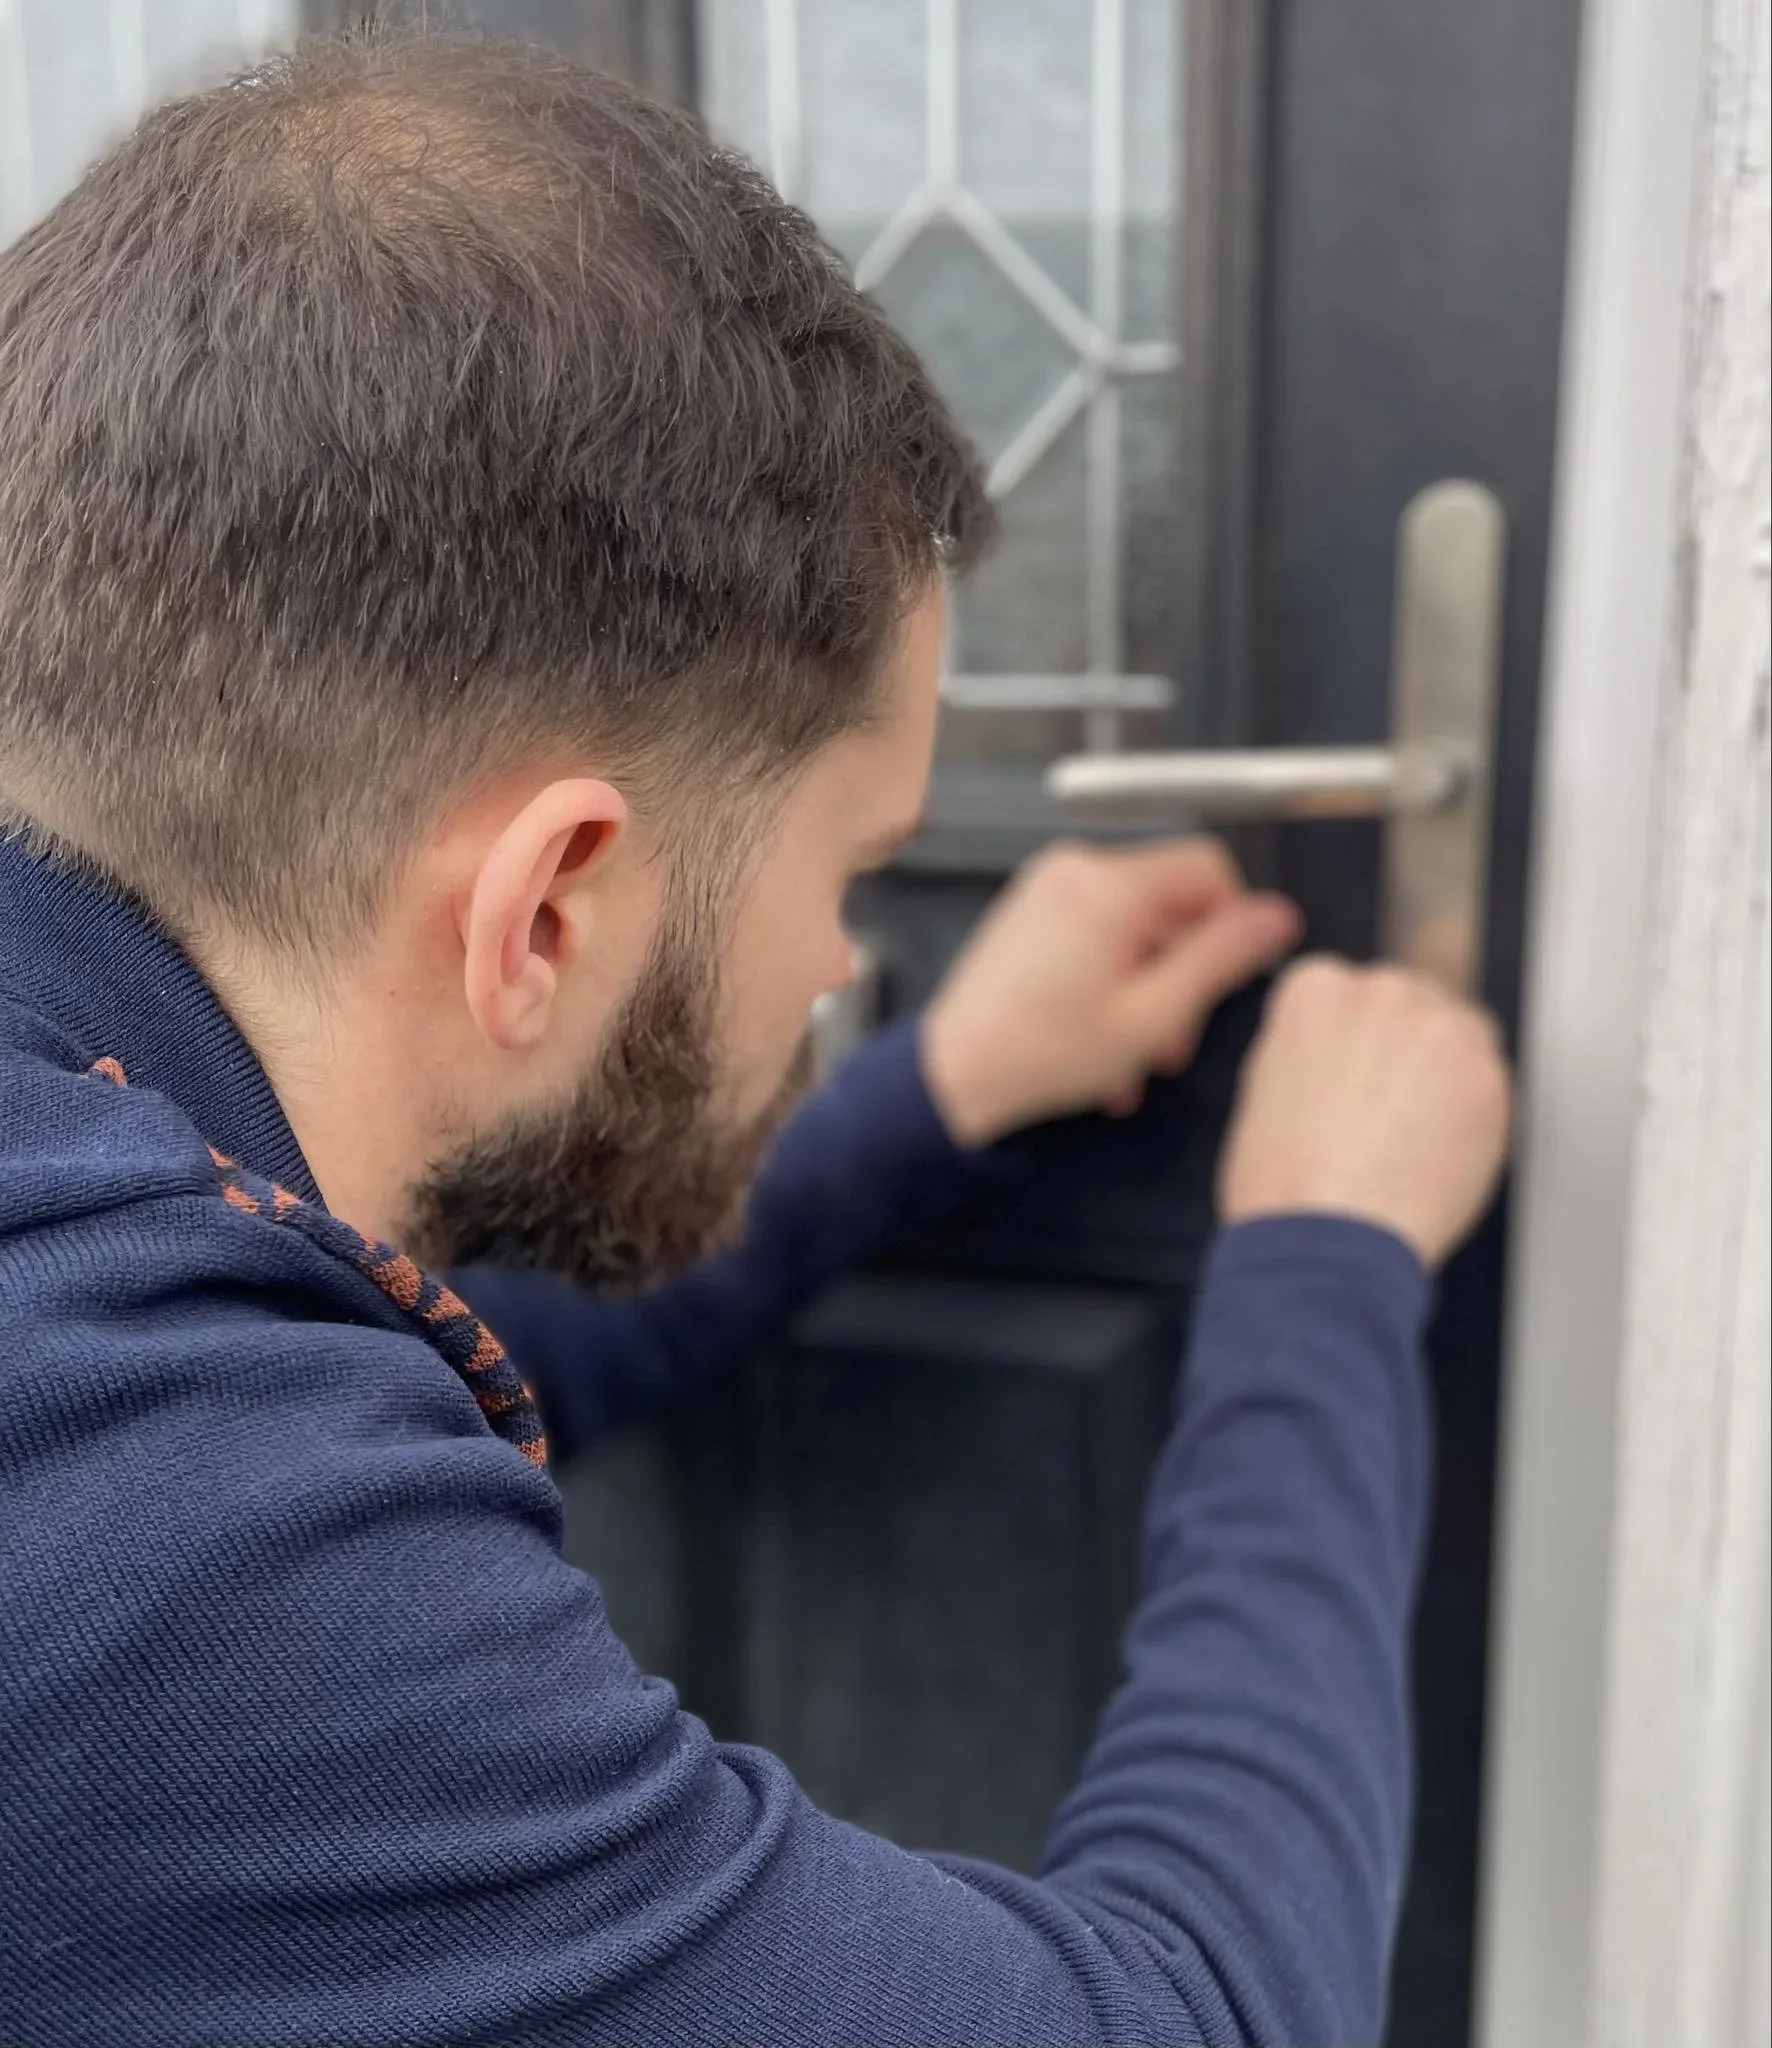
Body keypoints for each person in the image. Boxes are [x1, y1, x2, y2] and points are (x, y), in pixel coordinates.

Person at [0, 31, 1511, 2048]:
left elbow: (398, 1390)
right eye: (850, 866)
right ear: (546, 904)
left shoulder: (95, 1264)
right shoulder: (186, 1556)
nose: (833, 958)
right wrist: (1326, 1257)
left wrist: (938, 1092)